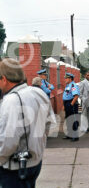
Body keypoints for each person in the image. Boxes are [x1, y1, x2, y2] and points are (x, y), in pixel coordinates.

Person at [0, 59, 56, 188]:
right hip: (35, 162)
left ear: (4, 79)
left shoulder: (11, 100)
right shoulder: (38, 92)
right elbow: (50, 124)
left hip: (14, 167)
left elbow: (7, 142)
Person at [63, 73, 80, 142]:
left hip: (71, 103)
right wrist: (64, 105)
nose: (65, 79)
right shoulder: (68, 85)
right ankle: (69, 134)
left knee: (73, 120)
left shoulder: (73, 85)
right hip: (67, 103)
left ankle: (75, 136)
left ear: (70, 79)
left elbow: (76, 96)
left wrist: (71, 105)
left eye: (66, 78)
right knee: (68, 120)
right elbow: (66, 96)